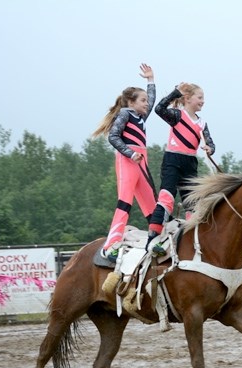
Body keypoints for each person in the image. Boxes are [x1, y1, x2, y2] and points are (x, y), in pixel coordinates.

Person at [92, 64, 157, 262]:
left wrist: (151, 80)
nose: (147, 103)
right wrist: (130, 153)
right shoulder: (125, 114)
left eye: (146, 100)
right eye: (142, 100)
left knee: (151, 205)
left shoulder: (141, 116)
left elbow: (152, 101)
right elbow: (113, 137)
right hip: (128, 161)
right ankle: (111, 245)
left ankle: (157, 240)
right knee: (125, 203)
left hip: (142, 161)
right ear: (131, 102)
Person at [147, 82, 216, 254]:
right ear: (187, 99)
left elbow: (210, 142)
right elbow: (159, 109)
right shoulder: (177, 115)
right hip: (173, 159)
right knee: (166, 198)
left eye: (203, 98)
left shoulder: (202, 123)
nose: (203, 101)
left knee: (192, 203)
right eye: (200, 98)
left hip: (190, 163)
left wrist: (210, 149)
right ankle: (153, 238)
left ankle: (191, 239)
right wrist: (175, 92)